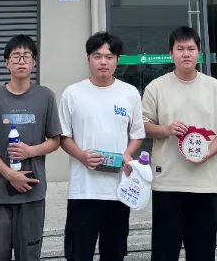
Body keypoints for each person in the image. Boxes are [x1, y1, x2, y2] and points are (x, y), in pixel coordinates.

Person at [142, 25, 217, 261]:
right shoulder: (156, 87)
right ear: (171, 53)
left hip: (204, 184)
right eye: (180, 49)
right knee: (164, 253)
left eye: (191, 48)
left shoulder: (214, 87)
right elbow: (142, 126)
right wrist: (165, 129)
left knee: (202, 253)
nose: (186, 54)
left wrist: (209, 151)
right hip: (167, 184)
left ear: (199, 53)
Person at [59, 31, 146, 261]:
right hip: (83, 191)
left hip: (119, 191)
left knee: (114, 254)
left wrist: (128, 154)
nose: (103, 62)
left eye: (109, 57)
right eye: (97, 56)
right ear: (88, 58)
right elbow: (63, 136)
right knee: (79, 254)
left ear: (118, 60)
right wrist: (81, 155)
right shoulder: (72, 93)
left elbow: (138, 134)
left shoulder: (129, 93)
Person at [0, 34, 62, 261]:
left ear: (34, 62)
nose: (21, 60)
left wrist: (30, 151)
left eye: (27, 56)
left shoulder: (45, 96)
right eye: (16, 56)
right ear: (6, 62)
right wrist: (9, 174)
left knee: (29, 255)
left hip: (32, 191)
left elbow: (55, 140)